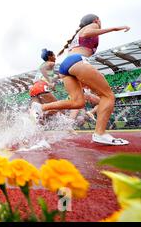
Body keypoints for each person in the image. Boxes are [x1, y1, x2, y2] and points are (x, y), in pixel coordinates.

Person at [30, 14, 131, 145]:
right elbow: (89, 32)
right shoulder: (92, 24)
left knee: (77, 102)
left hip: (66, 66)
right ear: (96, 20)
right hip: (77, 61)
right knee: (108, 96)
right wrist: (115, 28)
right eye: (99, 21)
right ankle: (100, 133)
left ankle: (41, 107)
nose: (100, 23)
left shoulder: (78, 34)